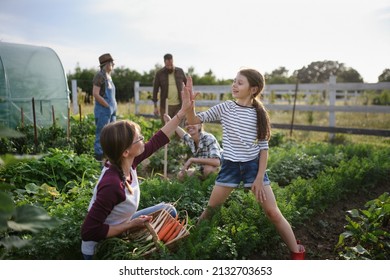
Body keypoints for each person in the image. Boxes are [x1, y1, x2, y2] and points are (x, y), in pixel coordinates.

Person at [182, 69, 305, 260]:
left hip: (253, 168)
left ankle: (297, 254)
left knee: (273, 212)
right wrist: (189, 106)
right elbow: (194, 121)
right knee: (210, 211)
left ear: (253, 89)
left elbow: (264, 149)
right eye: (234, 81)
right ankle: (187, 246)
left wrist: (258, 178)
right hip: (230, 166)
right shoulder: (226, 108)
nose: (234, 85)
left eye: (240, 83)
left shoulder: (259, 113)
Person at [81, 95, 190, 259]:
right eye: (139, 138)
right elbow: (89, 231)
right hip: (101, 247)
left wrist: (182, 112)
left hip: (121, 224)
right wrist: (130, 225)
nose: (143, 139)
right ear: (125, 152)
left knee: (169, 210)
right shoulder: (112, 185)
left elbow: (159, 139)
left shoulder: (126, 162)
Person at [163, 114, 222, 180]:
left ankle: (209, 187)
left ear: (200, 125)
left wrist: (192, 160)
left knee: (208, 169)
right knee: (181, 175)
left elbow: (217, 162)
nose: (189, 126)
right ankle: (196, 187)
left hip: (222, 169)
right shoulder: (191, 140)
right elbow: (183, 135)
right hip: (202, 168)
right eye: (187, 124)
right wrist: (170, 121)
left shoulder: (208, 138)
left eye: (193, 123)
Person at [92, 53, 117, 161]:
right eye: (111, 63)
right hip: (103, 110)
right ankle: (99, 158)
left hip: (112, 110)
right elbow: (95, 93)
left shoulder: (109, 76)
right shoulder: (99, 76)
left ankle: (109, 157)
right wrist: (106, 105)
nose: (113, 65)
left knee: (111, 133)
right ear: (106, 64)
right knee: (101, 134)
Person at [152, 53, 187, 123]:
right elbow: (155, 90)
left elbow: (187, 86)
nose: (169, 67)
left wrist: (187, 101)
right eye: (167, 65)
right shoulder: (159, 73)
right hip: (165, 106)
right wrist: (155, 107)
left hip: (179, 105)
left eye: (171, 64)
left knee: (179, 128)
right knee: (166, 129)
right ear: (164, 63)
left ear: (173, 61)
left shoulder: (180, 71)